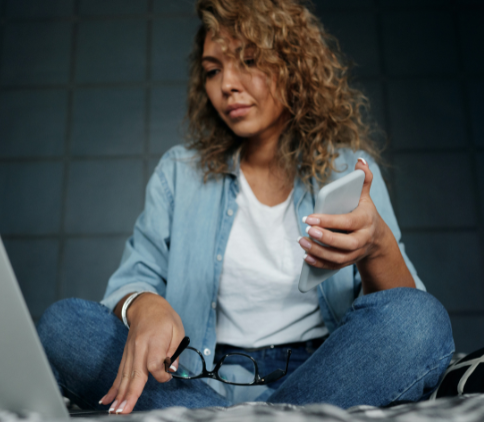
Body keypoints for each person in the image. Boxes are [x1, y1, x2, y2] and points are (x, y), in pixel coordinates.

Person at [36, 0, 454, 415]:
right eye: (213, 70)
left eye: (249, 60)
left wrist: (377, 245)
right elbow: (130, 282)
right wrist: (145, 306)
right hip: (194, 379)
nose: (227, 85)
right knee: (63, 326)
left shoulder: (350, 170)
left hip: (322, 375)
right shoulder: (178, 174)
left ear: (293, 65)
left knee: (421, 321)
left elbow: (403, 308)